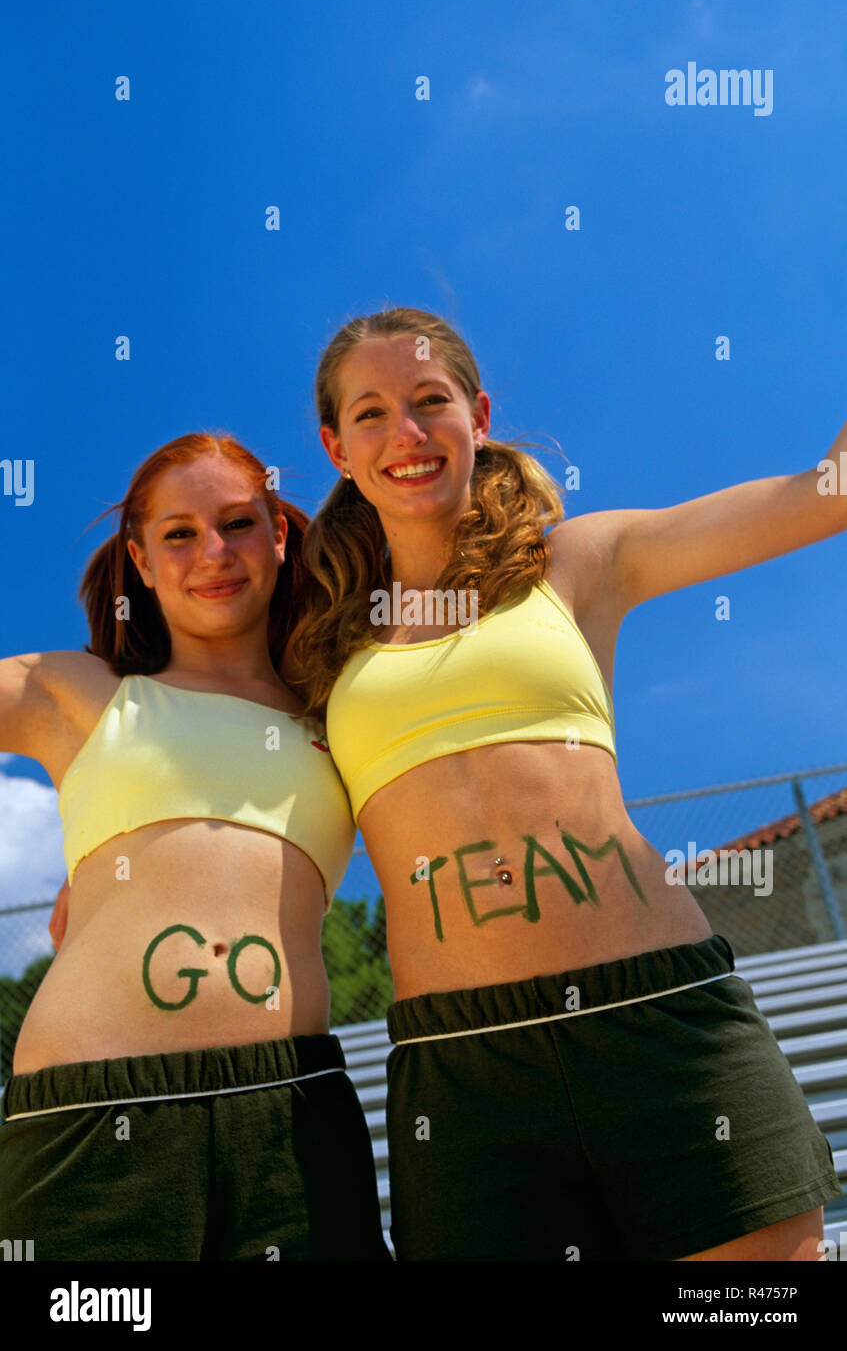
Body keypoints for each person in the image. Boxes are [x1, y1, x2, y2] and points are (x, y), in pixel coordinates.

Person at [287, 306, 844, 1262]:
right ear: (336, 447)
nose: (407, 435)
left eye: (431, 401)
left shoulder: (578, 562)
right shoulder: (316, 647)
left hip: (661, 1020)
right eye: (371, 414)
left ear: (480, 415)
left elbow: (828, 492)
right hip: (464, 1066)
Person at [0, 431, 390, 1262]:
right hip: (89, 1120)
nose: (212, 553)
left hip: (293, 1114)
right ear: (139, 561)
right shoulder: (80, 694)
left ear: (280, 537)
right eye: (177, 533)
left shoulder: (347, 713)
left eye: (237, 523)